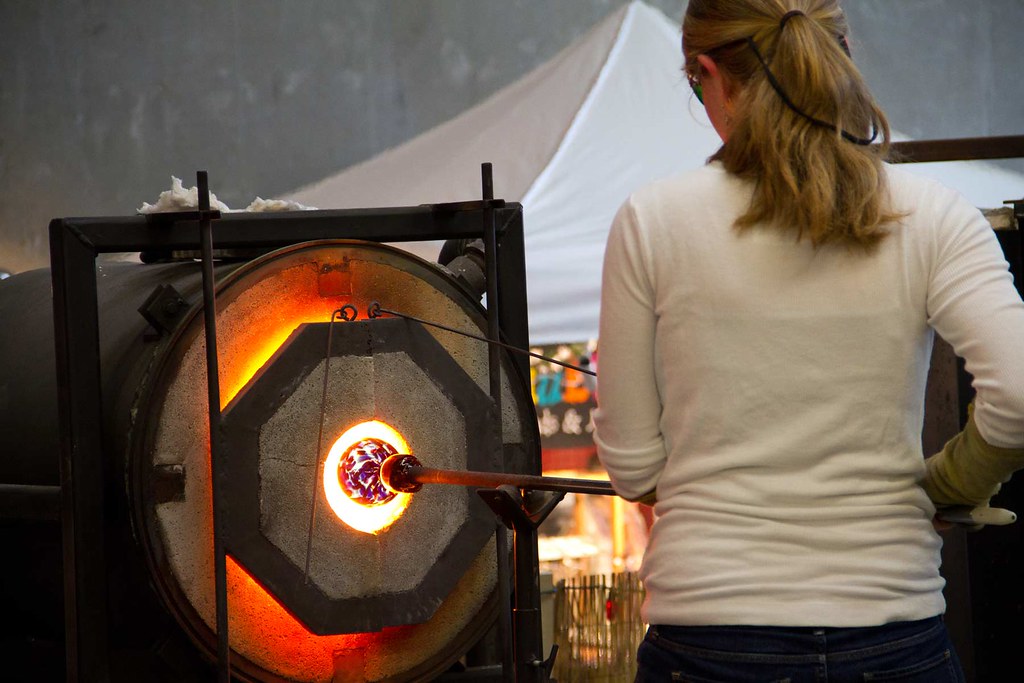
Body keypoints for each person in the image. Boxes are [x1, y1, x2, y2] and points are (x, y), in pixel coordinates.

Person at [592, 1, 1024, 681]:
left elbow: (633, 470)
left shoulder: (651, 221)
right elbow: (1020, 397)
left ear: (708, 72)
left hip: (710, 637)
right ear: (843, 48)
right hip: (893, 634)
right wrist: (946, 485)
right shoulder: (936, 214)